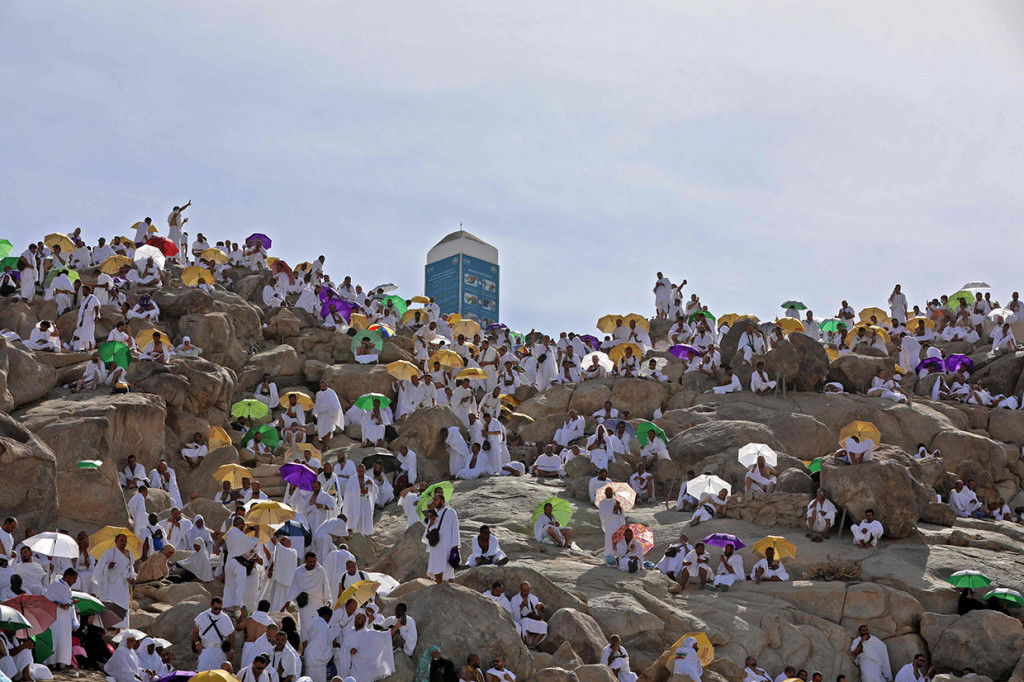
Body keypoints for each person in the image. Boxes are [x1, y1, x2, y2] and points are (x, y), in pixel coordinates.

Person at [93, 533, 136, 627]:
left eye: (125, 541)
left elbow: (131, 568)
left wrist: (132, 578)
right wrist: (108, 566)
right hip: (111, 585)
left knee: (123, 606)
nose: (123, 542)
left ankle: (119, 629)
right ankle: (108, 627)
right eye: (121, 540)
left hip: (123, 585)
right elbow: (99, 568)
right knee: (111, 605)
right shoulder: (108, 553)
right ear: (116, 541)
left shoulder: (129, 554)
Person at [285, 552, 330, 639]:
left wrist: (328, 599)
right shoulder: (299, 572)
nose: (312, 564)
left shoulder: (320, 571)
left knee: (317, 625)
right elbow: (294, 587)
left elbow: (326, 585)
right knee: (305, 626)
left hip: (318, 603)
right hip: (305, 604)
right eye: (310, 562)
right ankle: (305, 645)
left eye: (314, 561)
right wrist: (288, 601)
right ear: (305, 561)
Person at [43, 567, 77, 669]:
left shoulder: (67, 588)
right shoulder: (56, 585)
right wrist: (59, 604)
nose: (75, 581)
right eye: (74, 579)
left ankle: (60, 663)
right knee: (55, 639)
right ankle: (51, 663)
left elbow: (67, 601)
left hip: (65, 620)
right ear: (68, 576)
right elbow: (47, 599)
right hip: (55, 619)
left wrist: (72, 602)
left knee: (64, 641)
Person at [423, 492, 460, 583]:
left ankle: (453, 590)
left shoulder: (450, 512)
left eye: (436, 500)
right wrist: (431, 523)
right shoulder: (433, 515)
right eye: (433, 500)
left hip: (447, 546)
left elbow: (455, 529)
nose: (434, 502)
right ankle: (439, 588)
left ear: (442, 501)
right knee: (436, 569)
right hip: (436, 546)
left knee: (449, 571)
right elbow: (428, 533)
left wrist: (455, 546)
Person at [192, 597, 234, 672]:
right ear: (211, 606)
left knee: (221, 674)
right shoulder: (202, 616)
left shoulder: (225, 618)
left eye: (220, 609)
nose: (218, 611)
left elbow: (231, 635)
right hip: (205, 650)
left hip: (220, 651)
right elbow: (195, 632)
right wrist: (197, 644)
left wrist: (231, 651)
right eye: (216, 608)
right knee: (202, 673)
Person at [510, 582, 547, 648]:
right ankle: (527, 642)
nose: (526, 592)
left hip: (532, 620)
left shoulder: (533, 598)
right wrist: (520, 607)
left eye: (528, 591)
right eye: (525, 591)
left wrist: (541, 607)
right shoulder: (514, 599)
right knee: (525, 621)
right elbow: (513, 615)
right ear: (520, 589)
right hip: (520, 620)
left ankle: (533, 644)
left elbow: (544, 610)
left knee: (544, 625)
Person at [302, 606, 334, 682]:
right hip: (318, 660)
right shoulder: (323, 625)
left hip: (310, 657)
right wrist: (330, 653)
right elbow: (322, 643)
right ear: (327, 616)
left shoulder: (314, 623)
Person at [312, 380, 344, 448]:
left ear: (326, 386)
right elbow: (317, 404)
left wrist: (326, 407)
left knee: (328, 429)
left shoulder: (331, 393)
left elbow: (334, 404)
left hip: (329, 414)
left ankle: (325, 445)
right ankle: (325, 444)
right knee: (321, 430)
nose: (322, 387)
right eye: (321, 386)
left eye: (323, 386)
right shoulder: (319, 394)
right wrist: (315, 413)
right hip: (321, 415)